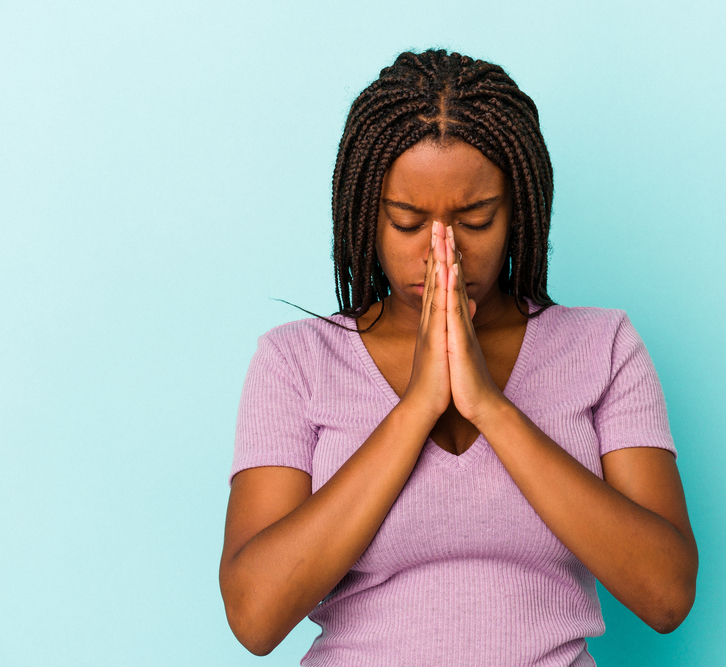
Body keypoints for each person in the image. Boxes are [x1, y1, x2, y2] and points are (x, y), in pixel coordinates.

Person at [219, 49, 698, 666]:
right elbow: (255, 617)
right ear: (366, 217)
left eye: (475, 219)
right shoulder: (296, 362)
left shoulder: (602, 348)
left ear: (518, 213)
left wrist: (490, 408)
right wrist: (417, 407)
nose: (440, 251)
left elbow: (666, 595)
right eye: (407, 220)